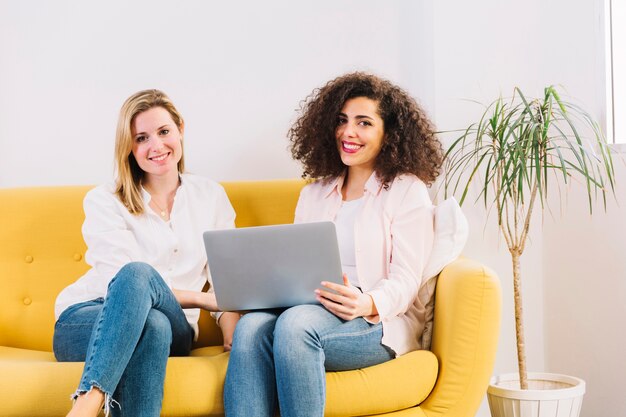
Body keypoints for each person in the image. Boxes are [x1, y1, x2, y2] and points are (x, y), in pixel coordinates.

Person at [223, 72, 444, 417]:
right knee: (251, 328)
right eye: (342, 121)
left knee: (297, 326)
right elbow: (294, 267)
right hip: (309, 307)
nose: (348, 132)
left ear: (389, 133)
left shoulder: (405, 190)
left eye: (364, 123)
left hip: (375, 322)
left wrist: (365, 302)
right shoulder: (313, 194)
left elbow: (406, 280)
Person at [53, 89, 240, 417]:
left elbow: (229, 278)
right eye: (141, 138)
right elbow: (120, 282)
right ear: (129, 147)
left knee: (150, 305)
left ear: (181, 129)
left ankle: (86, 404)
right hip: (85, 318)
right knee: (146, 308)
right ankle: (91, 400)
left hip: (178, 327)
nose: (156, 146)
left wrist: (231, 330)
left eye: (164, 131)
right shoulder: (104, 200)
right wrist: (205, 298)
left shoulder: (210, 196)